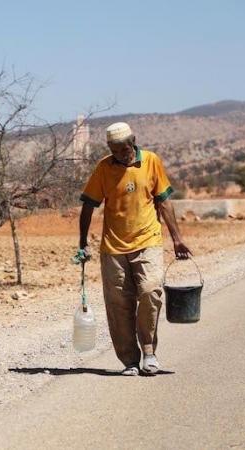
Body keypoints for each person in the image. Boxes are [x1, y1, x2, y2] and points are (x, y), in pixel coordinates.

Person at [77, 122, 191, 376]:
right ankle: (129, 360)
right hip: (114, 247)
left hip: (148, 241)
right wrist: (83, 242)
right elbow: (88, 206)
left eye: (123, 149)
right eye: (114, 150)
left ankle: (149, 352)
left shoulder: (151, 161)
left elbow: (164, 202)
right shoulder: (104, 168)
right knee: (119, 303)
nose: (120, 154)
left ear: (133, 142)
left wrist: (177, 238)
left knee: (151, 291)